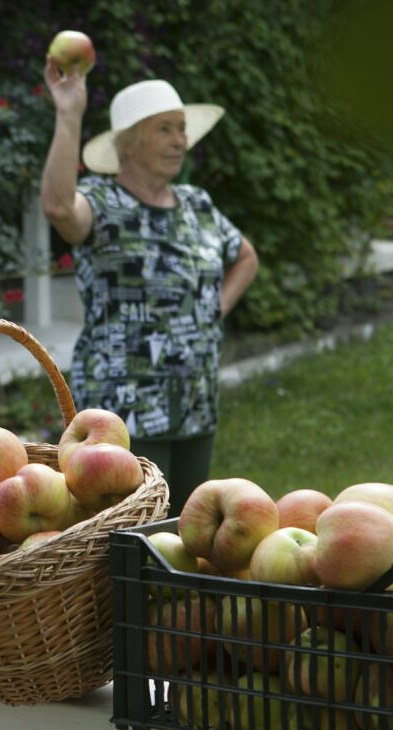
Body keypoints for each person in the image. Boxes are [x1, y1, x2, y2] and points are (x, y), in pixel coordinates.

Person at [39, 58, 259, 517]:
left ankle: (179, 595)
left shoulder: (196, 204)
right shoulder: (102, 201)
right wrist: (69, 113)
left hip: (195, 395)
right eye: (164, 129)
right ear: (129, 143)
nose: (180, 140)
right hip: (123, 406)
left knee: (186, 528)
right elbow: (60, 207)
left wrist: (212, 312)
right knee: (130, 535)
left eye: (181, 129)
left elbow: (245, 256)